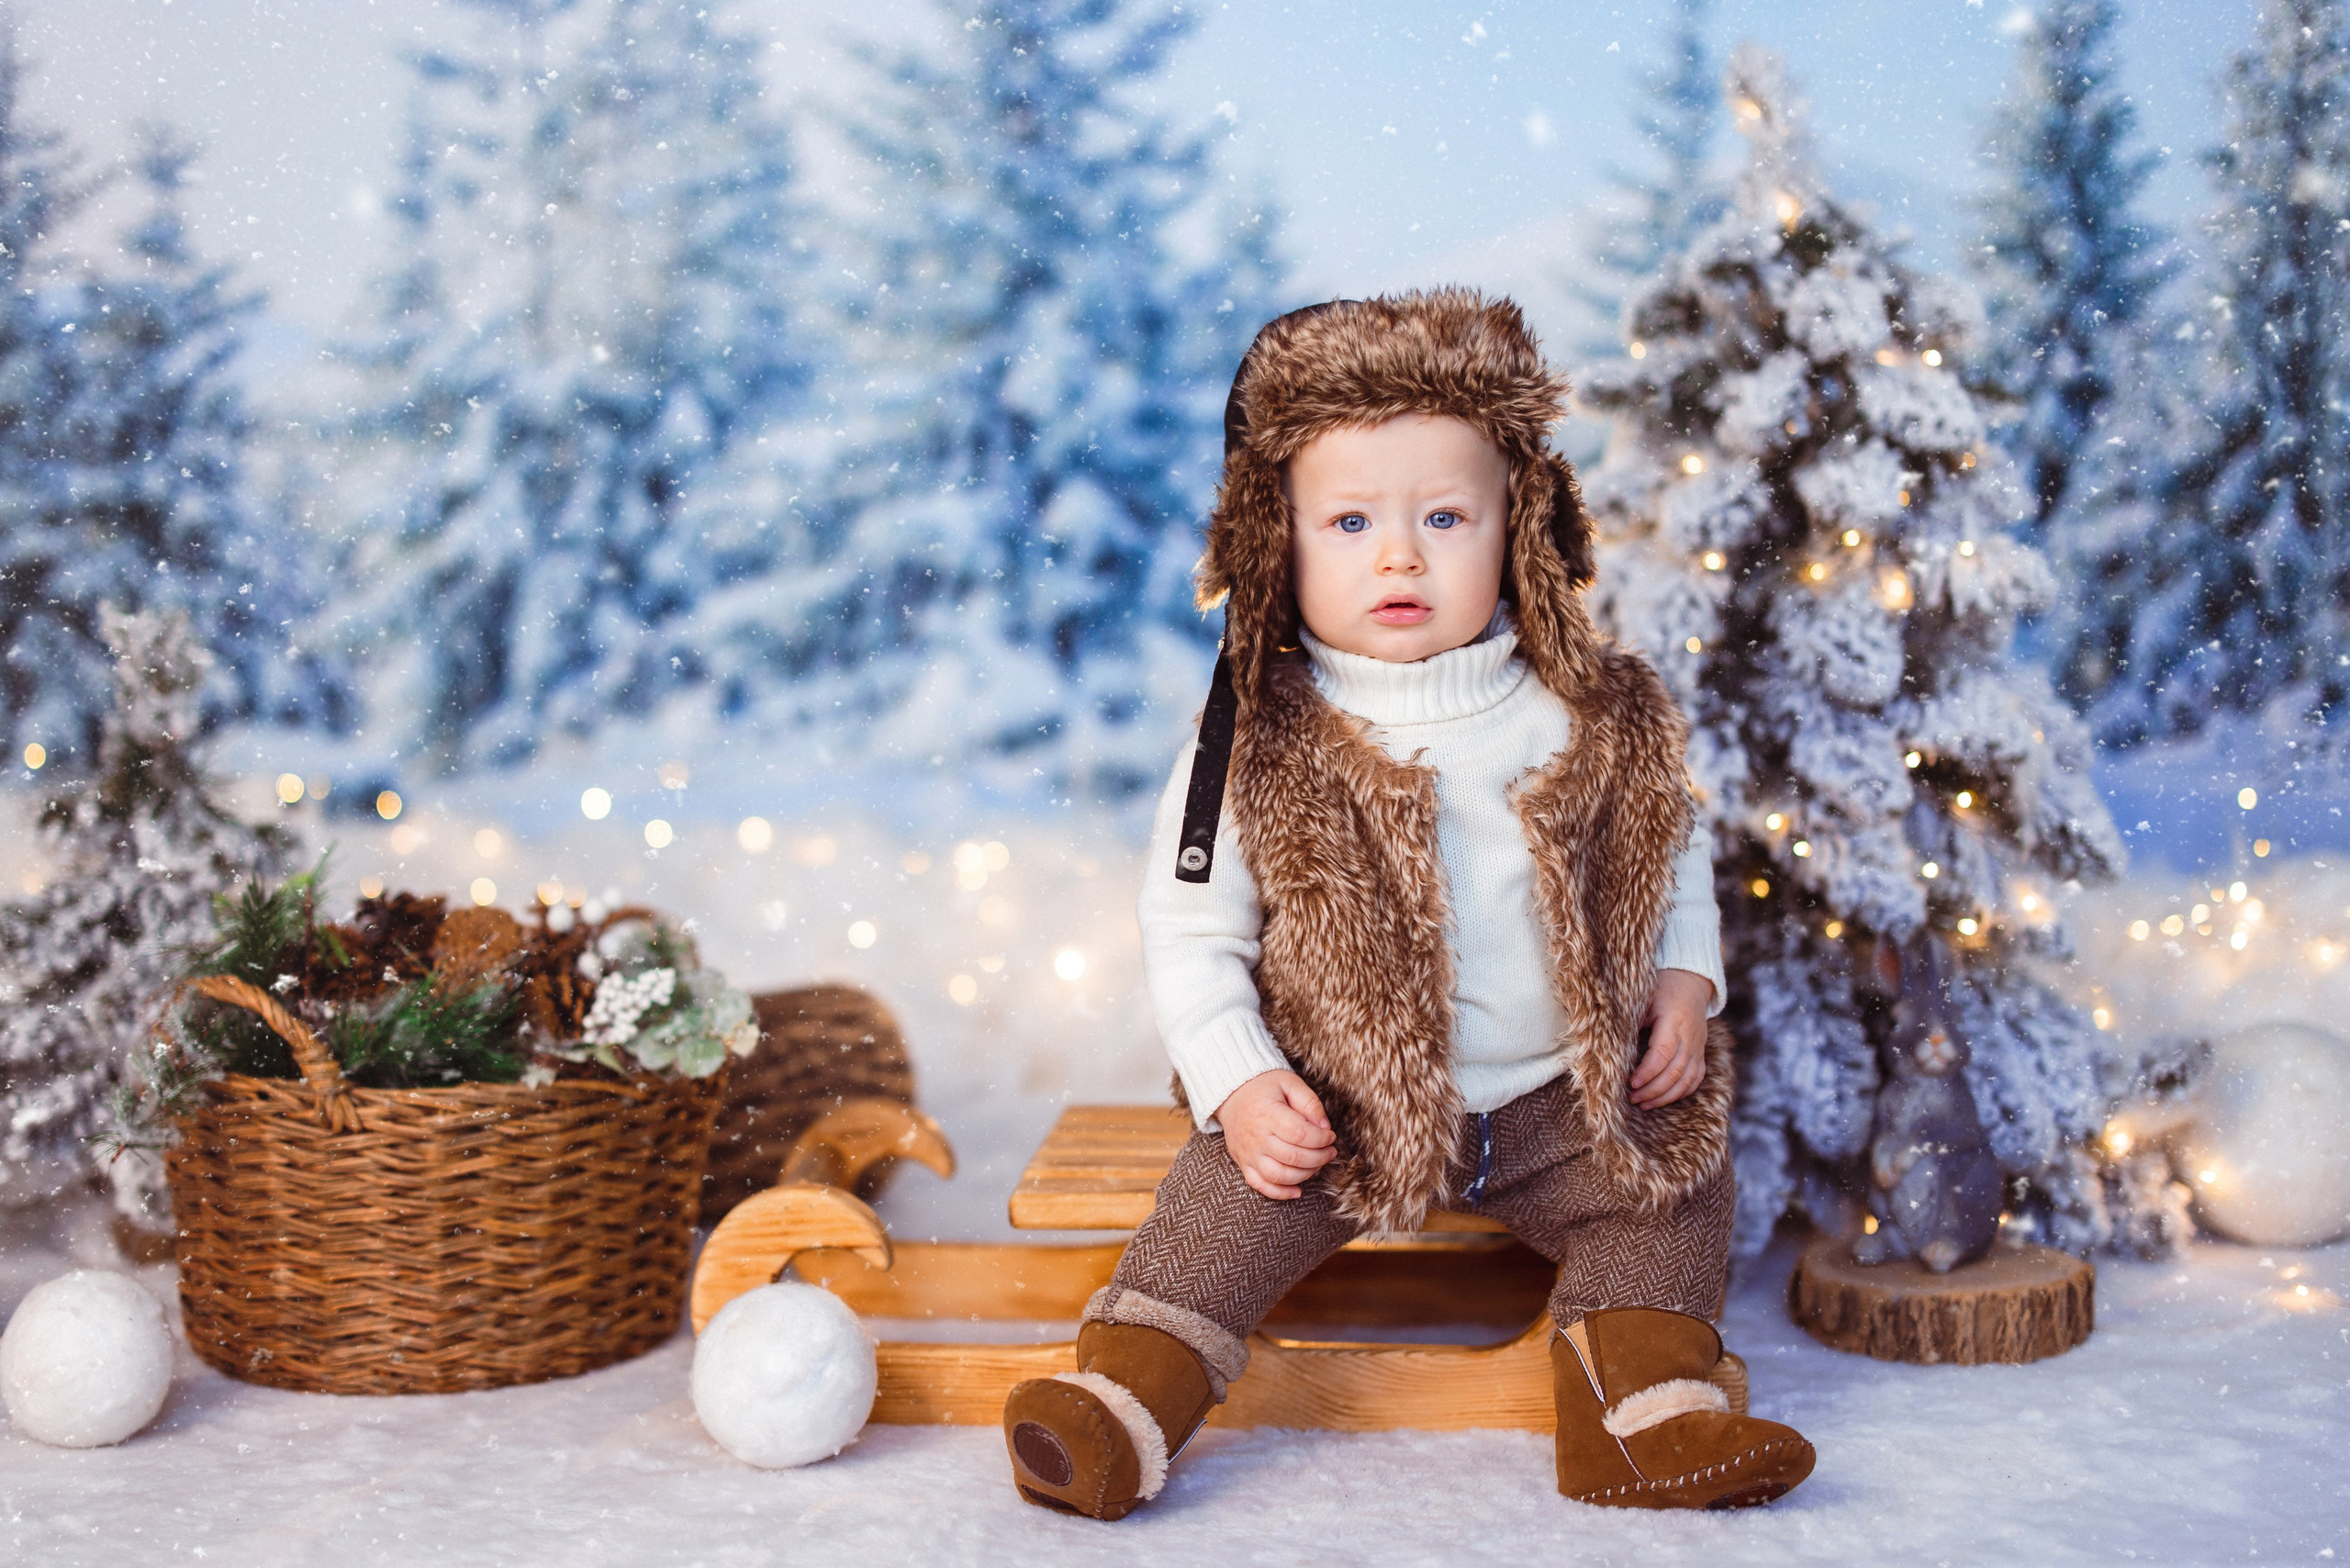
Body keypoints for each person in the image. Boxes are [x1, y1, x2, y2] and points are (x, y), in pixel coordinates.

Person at [1000, 291, 1816, 1518]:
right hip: (1338, 1105)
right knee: (1222, 1208)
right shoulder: (1251, 744)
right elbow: (1190, 932)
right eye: (1349, 521)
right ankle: (1123, 1402)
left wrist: (1685, 985)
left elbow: (1668, 846)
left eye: (1446, 516)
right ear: (1280, 542)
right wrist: (1239, 1077)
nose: (1400, 555)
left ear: (1518, 528)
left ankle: (1637, 1408)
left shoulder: (1587, 713)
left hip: (1560, 1101)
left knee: (1678, 1186)